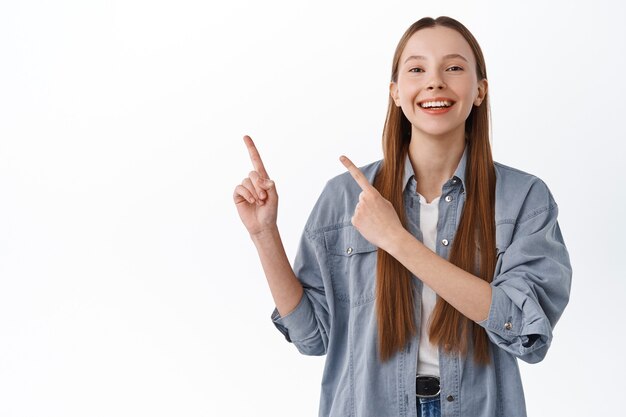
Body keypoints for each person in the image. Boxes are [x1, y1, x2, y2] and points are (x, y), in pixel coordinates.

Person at [233, 16, 572, 417]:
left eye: (454, 67)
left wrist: (396, 239)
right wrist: (264, 233)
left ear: (480, 90)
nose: (434, 81)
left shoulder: (523, 199)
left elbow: (524, 330)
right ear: (395, 92)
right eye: (416, 69)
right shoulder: (344, 198)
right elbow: (312, 337)